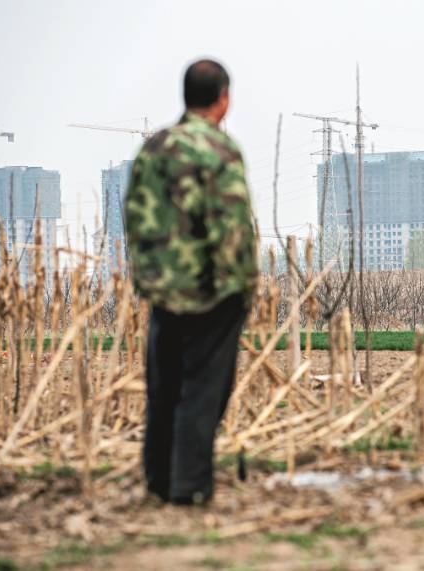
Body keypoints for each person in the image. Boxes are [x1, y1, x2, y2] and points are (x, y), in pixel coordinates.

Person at [124, 58, 257, 505]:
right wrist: (241, 286)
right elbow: (232, 224)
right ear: (223, 99)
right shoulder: (219, 150)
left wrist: (149, 276)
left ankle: (159, 480)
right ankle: (190, 486)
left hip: (163, 289)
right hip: (210, 292)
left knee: (165, 387)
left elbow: (135, 216)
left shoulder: (154, 148)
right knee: (203, 390)